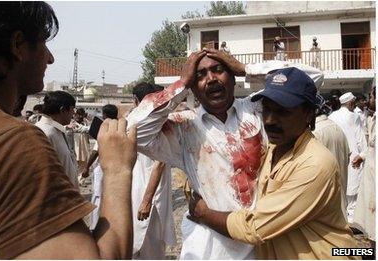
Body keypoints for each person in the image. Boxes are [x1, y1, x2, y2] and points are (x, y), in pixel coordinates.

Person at [0, 2, 135, 259]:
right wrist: (118, 170)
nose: (50, 58)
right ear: (18, 46)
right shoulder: (8, 143)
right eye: (44, 43)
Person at [126, 48, 324, 259]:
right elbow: (133, 131)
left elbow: (314, 77)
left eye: (218, 69)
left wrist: (245, 68)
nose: (210, 79)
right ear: (192, 87)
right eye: (200, 75)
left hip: (264, 243)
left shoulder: (259, 109)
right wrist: (181, 83)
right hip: (210, 247)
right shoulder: (184, 127)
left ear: (232, 77)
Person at [187, 67, 357, 259]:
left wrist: (203, 213)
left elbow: (254, 228)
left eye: (282, 112)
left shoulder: (315, 164)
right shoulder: (273, 149)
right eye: (266, 109)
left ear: (308, 114)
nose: (269, 120)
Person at [130, 82, 176, 259]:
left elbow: (160, 162)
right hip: (139, 192)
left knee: (149, 248)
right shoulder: (142, 120)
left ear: (135, 100)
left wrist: (147, 200)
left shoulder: (153, 122)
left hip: (149, 197)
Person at [329, 92, 368, 223]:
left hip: (337, 155)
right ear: (351, 103)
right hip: (354, 156)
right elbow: (360, 138)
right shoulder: (354, 116)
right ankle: (352, 221)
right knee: (354, 192)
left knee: (342, 187)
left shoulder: (332, 116)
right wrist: (364, 154)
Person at [312, 98, 350, 220]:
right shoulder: (337, 128)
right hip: (339, 200)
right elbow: (347, 156)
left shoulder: (315, 132)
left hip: (325, 206)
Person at [82, 104, 119, 230]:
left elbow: (95, 151)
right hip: (115, 167)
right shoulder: (119, 127)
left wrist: (86, 167)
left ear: (104, 115)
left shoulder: (104, 128)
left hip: (102, 167)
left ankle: (95, 225)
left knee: (98, 196)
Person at [35, 91, 79, 190]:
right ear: (63, 110)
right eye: (72, 109)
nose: (74, 113)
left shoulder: (56, 130)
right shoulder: (45, 132)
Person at [353, 86, 376, 248]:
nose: (370, 100)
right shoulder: (373, 118)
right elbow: (372, 146)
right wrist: (361, 157)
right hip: (370, 176)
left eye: (372, 97)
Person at [70, 108, 91, 175]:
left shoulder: (86, 122)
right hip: (76, 145)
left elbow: (88, 129)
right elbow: (80, 129)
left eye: (81, 115)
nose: (79, 117)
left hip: (84, 146)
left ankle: (81, 180)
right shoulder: (72, 123)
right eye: (77, 115)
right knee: (75, 162)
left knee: (84, 162)